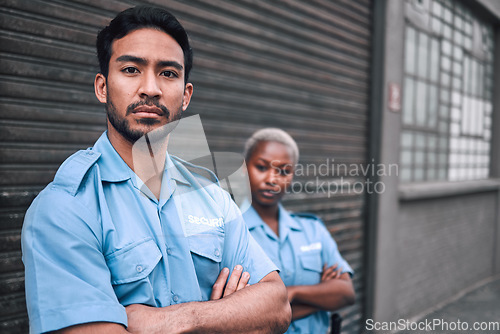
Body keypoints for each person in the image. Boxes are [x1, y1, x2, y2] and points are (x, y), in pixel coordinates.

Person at [21, 6, 291, 334]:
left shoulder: (210, 194)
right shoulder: (65, 208)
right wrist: (227, 316)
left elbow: (277, 304)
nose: (151, 88)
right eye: (132, 69)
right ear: (102, 87)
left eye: (168, 73)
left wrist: (179, 320)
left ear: (186, 95)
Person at [242, 128, 355, 334]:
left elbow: (346, 293)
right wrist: (320, 298)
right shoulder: (231, 232)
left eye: (283, 171)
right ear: (244, 168)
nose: (272, 179)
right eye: (261, 167)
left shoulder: (312, 229)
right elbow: (236, 316)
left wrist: (290, 293)